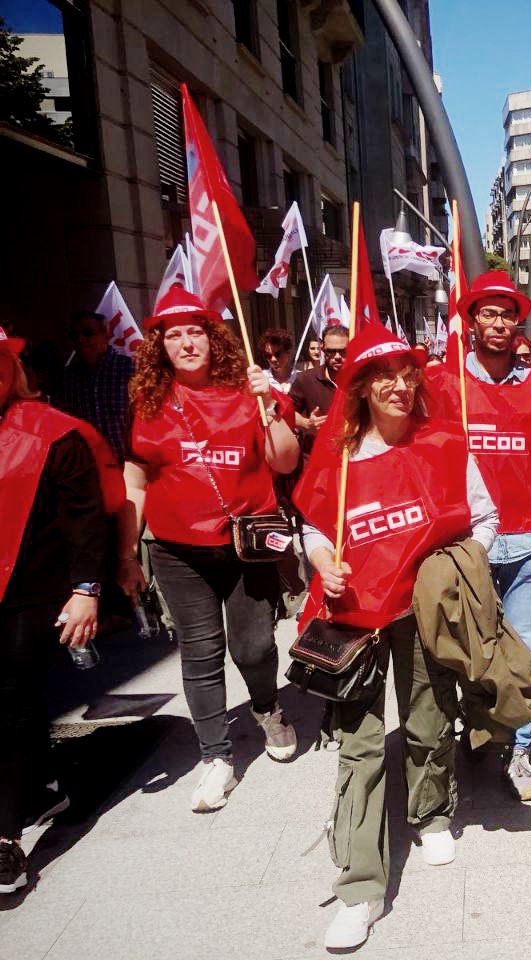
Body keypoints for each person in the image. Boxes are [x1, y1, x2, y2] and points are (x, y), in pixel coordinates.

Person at [291, 321, 499, 950]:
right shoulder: (342, 456)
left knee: (429, 723)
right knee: (358, 750)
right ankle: (360, 886)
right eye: (383, 377)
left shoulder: (444, 446)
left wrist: (454, 573)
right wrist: (324, 563)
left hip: (421, 616)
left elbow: (483, 520)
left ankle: (432, 812)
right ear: (358, 387)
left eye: (407, 376)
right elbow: (315, 530)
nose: (398, 387)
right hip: (353, 622)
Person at [118, 288, 301, 813]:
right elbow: (136, 479)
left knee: (253, 647)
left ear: (212, 338)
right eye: (172, 335)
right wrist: (128, 551)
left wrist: (271, 410)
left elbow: (285, 463)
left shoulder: (250, 392)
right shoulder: (149, 403)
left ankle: (267, 707)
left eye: (194, 331)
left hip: (246, 543)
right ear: (161, 347)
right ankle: (215, 756)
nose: (185, 342)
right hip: (178, 549)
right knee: (199, 651)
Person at [423, 271, 531, 801]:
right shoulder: (442, 385)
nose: (498, 322)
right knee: (468, 651)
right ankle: (477, 730)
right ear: (471, 321)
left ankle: (517, 753)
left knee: (523, 652)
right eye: (487, 312)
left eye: (507, 313)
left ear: (519, 323)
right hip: (468, 546)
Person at [0, 328, 109, 896]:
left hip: (33, 590)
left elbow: (86, 517)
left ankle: (4, 839)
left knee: (11, 698)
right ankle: (41, 788)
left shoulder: (55, 434)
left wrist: (86, 589)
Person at [59, 309, 135, 462]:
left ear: (105, 335)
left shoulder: (130, 369)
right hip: (92, 469)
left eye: (88, 333)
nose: (80, 340)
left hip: (133, 466)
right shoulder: (67, 378)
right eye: (75, 335)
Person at [290, 324, 348, 437]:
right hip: (316, 450)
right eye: (331, 351)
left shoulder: (360, 380)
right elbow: (286, 411)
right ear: (323, 349)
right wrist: (306, 423)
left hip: (352, 451)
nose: (337, 356)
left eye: (343, 351)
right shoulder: (305, 379)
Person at [257, 327, 296, 393]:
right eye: (268, 355)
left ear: (288, 352)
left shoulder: (300, 377)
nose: (273, 359)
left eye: (278, 354)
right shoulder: (261, 378)